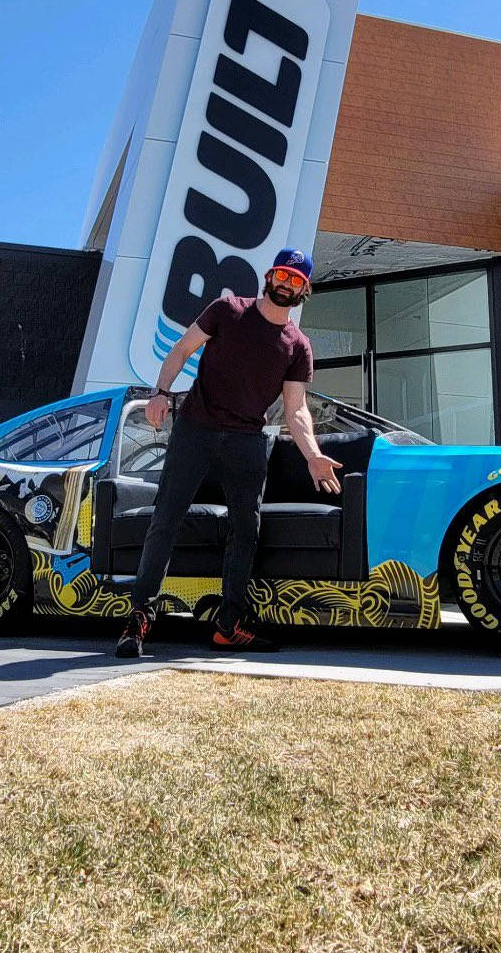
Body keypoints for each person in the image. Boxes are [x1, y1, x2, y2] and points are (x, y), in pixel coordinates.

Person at [115, 247, 343, 658]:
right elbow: (182, 350)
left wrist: (313, 454)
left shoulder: (297, 345)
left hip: (246, 442)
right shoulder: (228, 310)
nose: (287, 284)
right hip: (196, 430)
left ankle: (229, 625)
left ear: (304, 290)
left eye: (296, 280)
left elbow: (295, 409)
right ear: (269, 277)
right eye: (282, 275)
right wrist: (160, 393)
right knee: (165, 519)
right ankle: (138, 619)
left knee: (246, 531)